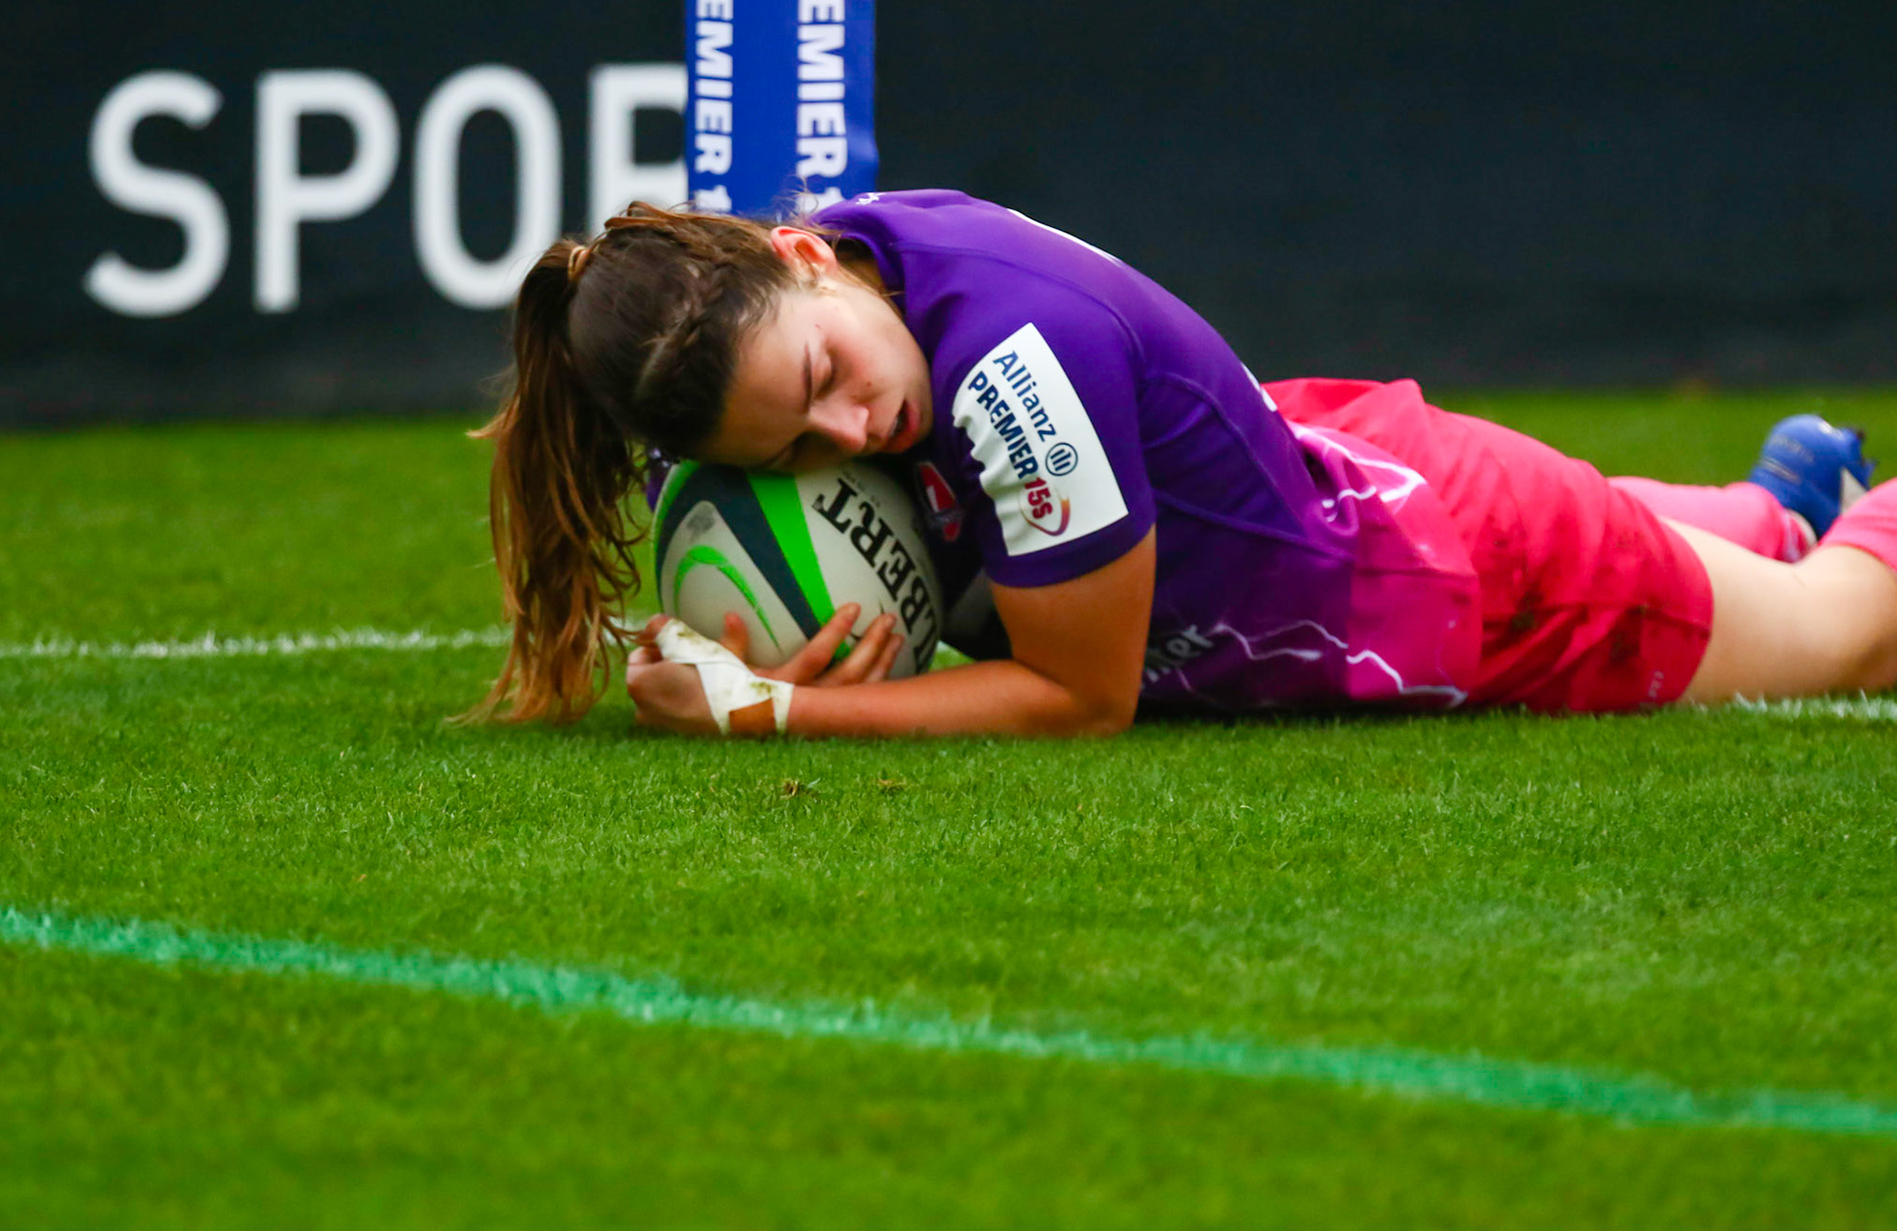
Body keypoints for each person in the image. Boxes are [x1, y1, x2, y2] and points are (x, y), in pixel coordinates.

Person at [468, 189, 1897, 737]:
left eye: (826, 385)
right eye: (794, 449)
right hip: (1335, 470)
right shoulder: (845, 269)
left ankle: (1811, 535)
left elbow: (1079, 698)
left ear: (797, 254)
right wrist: (734, 615)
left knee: (1843, 635)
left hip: (1461, 579)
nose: (852, 435)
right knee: (1740, 561)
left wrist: (771, 709)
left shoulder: (1015, 368)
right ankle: (1776, 503)